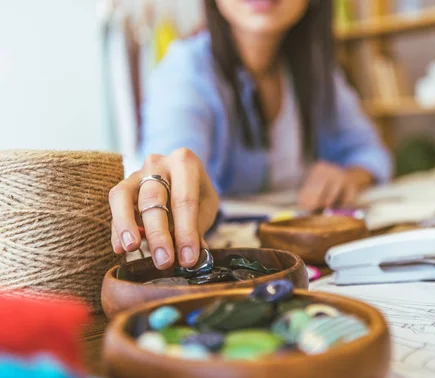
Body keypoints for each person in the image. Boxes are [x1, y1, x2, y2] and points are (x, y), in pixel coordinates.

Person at [108, 0, 392, 270]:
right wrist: (169, 183)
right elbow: (173, 159)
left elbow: (372, 153)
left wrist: (349, 176)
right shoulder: (184, 71)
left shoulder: (316, 71)